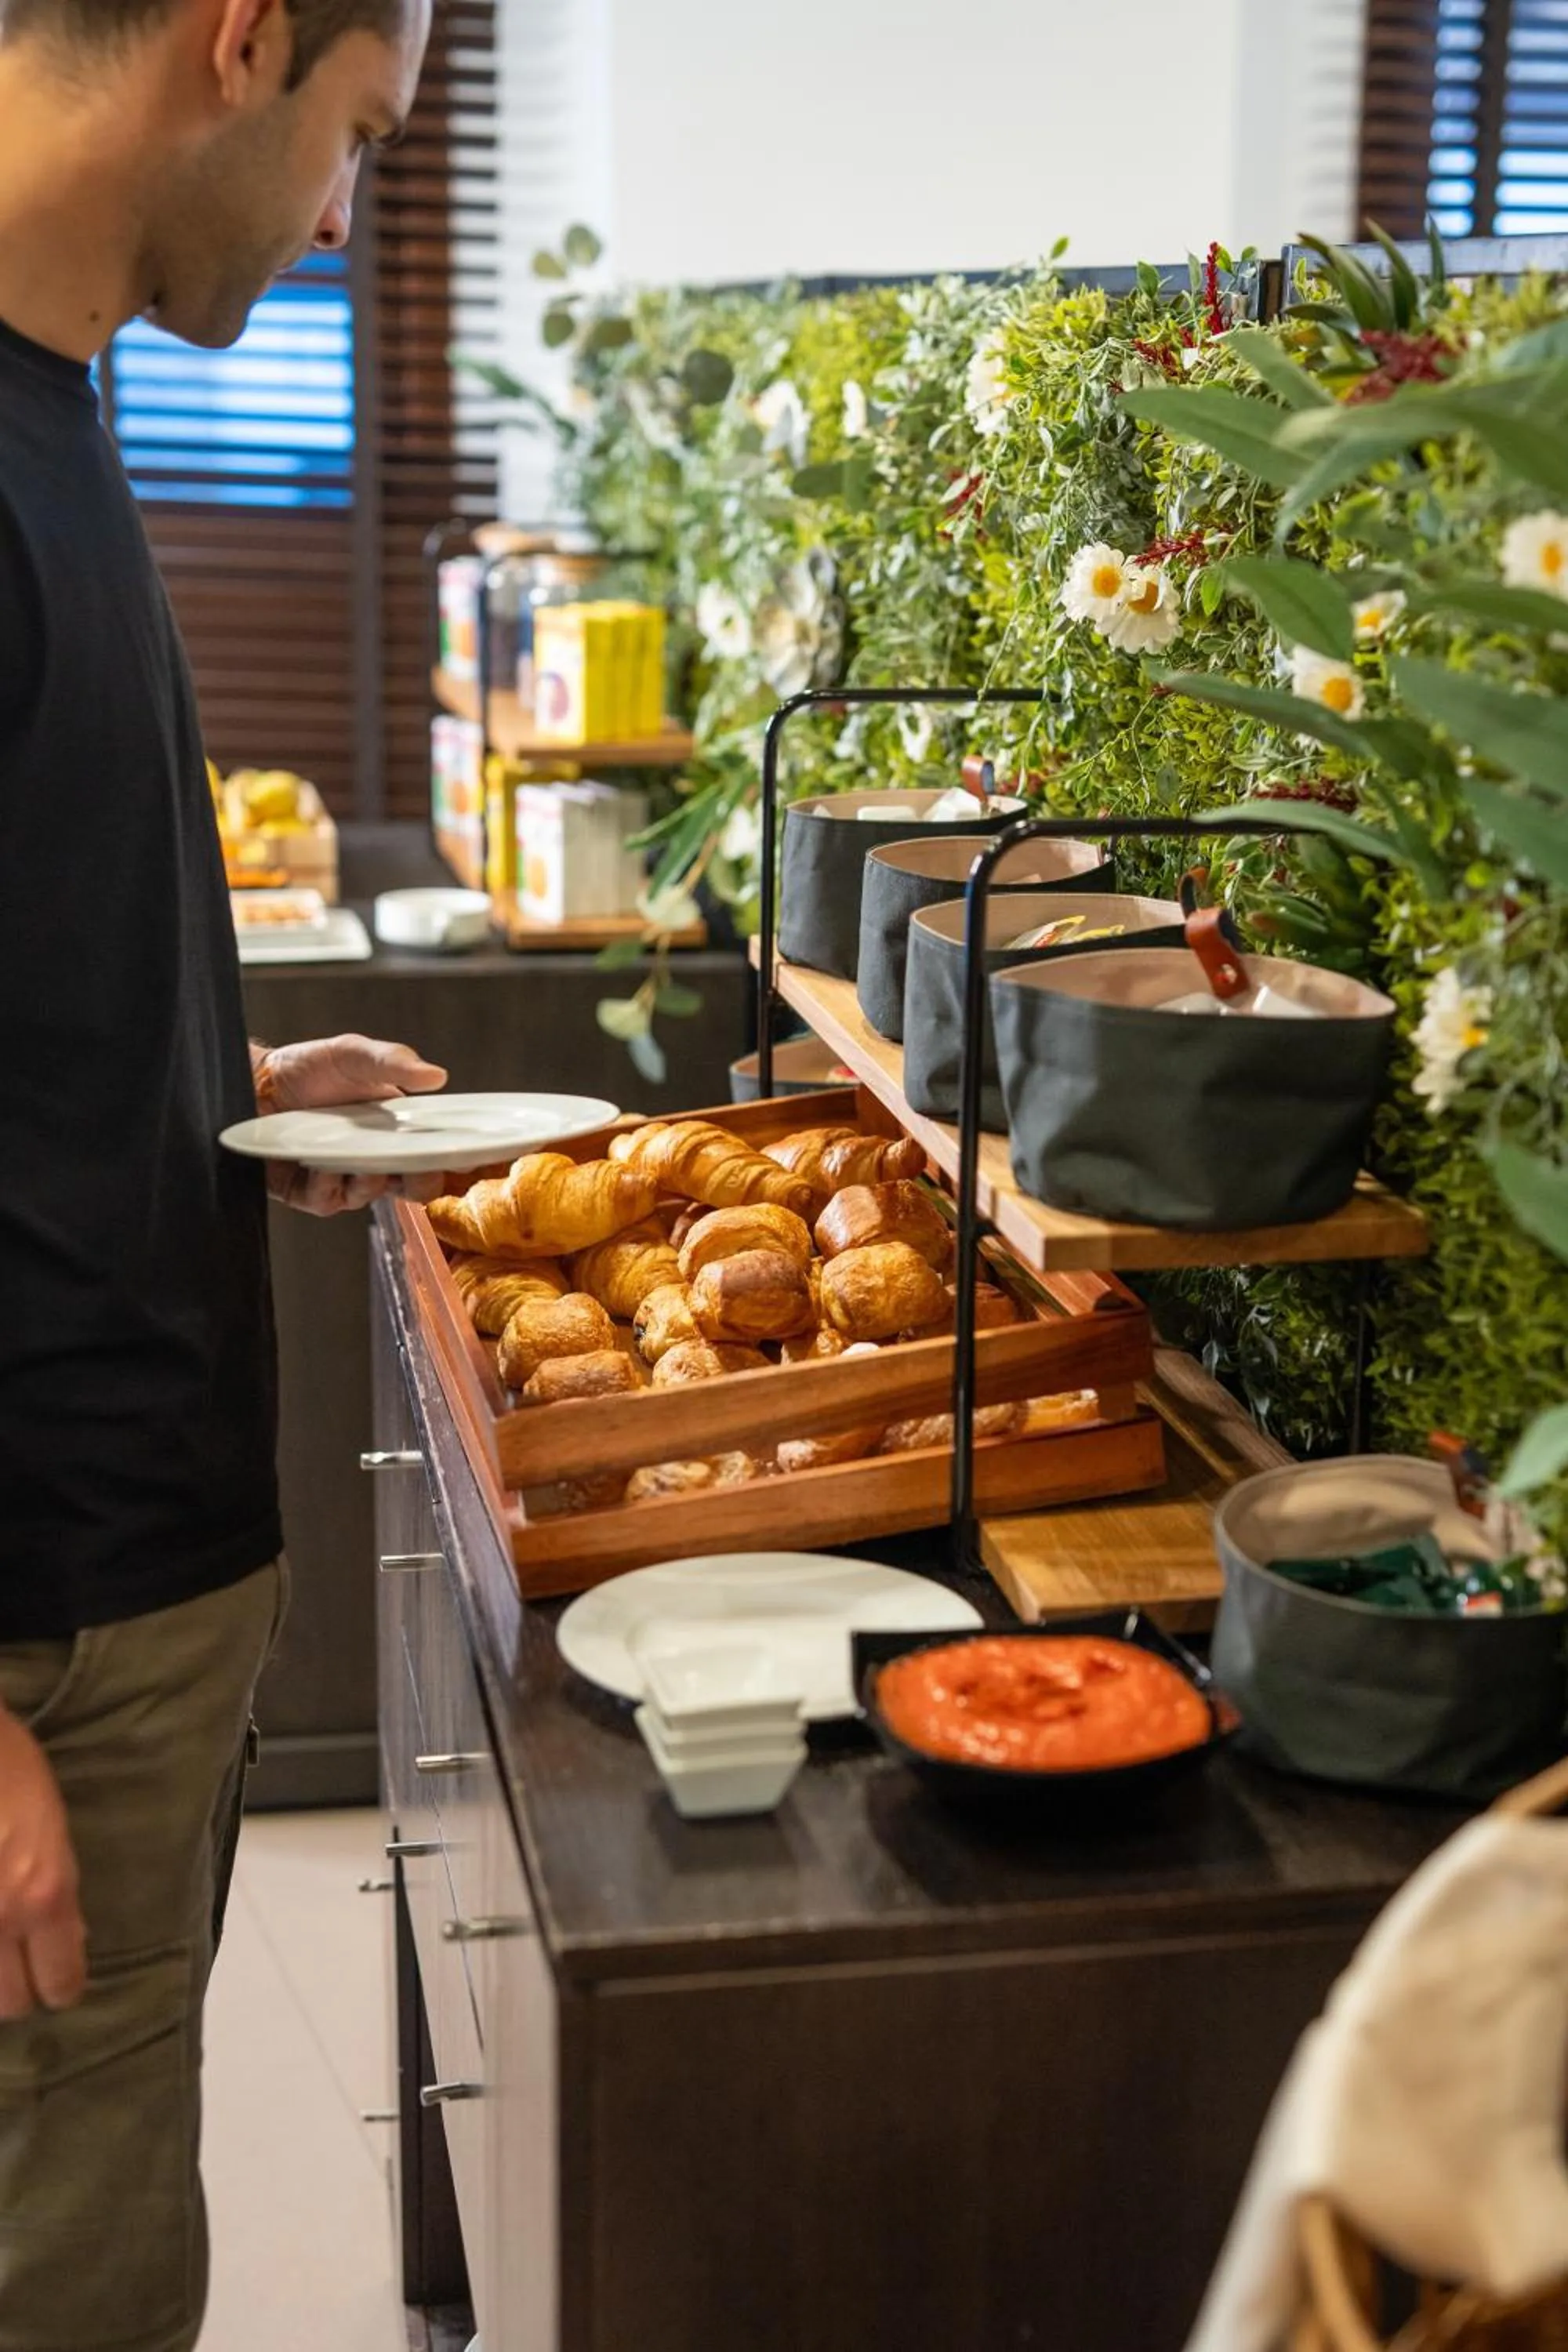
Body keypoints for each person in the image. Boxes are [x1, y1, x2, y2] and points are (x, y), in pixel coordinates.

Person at [0, 0, 441, 2341]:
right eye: (357, 135)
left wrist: (222, 1093)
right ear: (239, 35)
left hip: (117, 1608)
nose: (345, 211)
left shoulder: (56, 390)